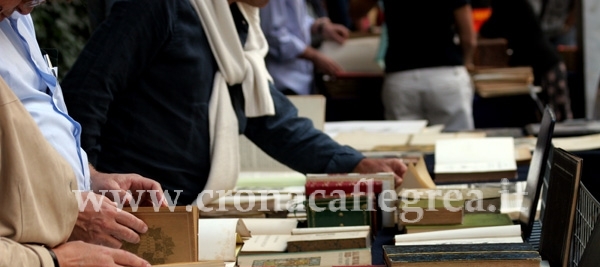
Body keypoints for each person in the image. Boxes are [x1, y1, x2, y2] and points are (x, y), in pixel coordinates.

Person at [61, 0, 407, 209]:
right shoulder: (157, 6)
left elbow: (269, 118)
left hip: (190, 209)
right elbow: (86, 93)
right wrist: (88, 183)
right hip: (136, 210)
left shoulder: (234, 24)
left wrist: (355, 163)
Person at [0, 74, 157, 267]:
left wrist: (86, 178)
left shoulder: (17, 28)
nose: (29, 20)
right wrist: (57, 266)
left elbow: (39, 134)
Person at [0, 0, 168, 250]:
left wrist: (89, 178)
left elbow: (39, 122)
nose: (27, 8)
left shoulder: (15, 15)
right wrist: (66, 213)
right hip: (25, 255)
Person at [350, 0, 477, 131]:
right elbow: (468, 38)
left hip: (401, 75)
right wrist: (466, 62)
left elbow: (356, 11)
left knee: (405, 145)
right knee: (454, 143)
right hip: (445, 73)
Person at [479, 0, 573, 122]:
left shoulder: (509, 4)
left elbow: (489, 29)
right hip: (540, 66)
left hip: (546, 66)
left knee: (555, 122)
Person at [259, 0, 349, 95]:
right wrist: (314, 56)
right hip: (283, 82)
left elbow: (297, 19)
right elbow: (273, 36)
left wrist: (319, 26)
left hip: (302, 79)